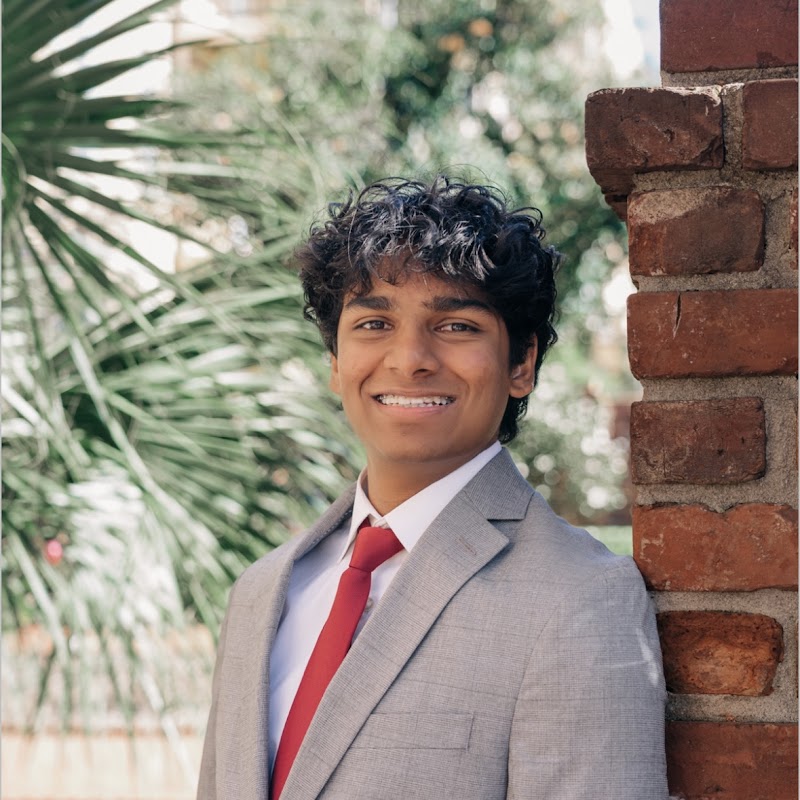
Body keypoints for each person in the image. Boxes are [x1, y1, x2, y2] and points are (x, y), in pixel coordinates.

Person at [197, 176, 668, 800]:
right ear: (335, 362)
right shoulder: (261, 592)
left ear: (521, 363)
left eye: (456, 326)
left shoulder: (579, 596)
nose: (409, 358)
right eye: (373, 323)